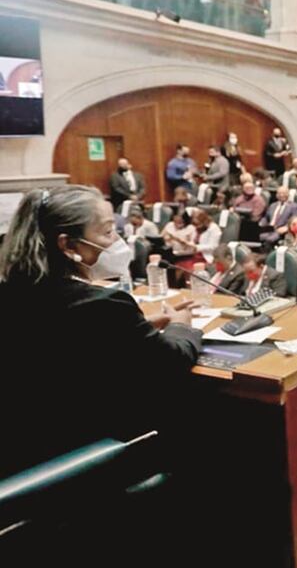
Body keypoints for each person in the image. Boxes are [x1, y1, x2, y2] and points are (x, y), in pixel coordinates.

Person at [0, 186, 200, 478]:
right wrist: (182, 325)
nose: (116, 241)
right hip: (86, 456)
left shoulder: (11, 293)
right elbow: (171, 361)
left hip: (23, 449)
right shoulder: (104, 305)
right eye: (107, 232)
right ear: (68, 245)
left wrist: (139, 325)